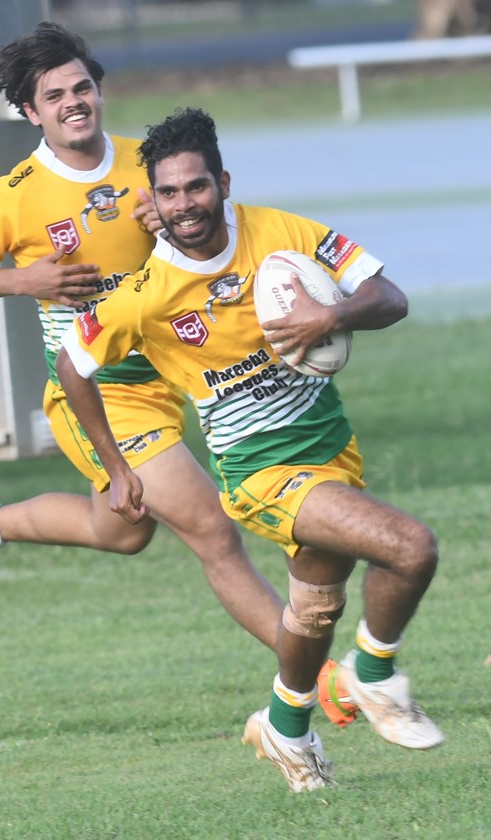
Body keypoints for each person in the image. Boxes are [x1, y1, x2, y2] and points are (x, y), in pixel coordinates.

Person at [0, 22, 350, 714]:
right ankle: (316, 680)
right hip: (92, 387)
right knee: (213, 530)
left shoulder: (148, 166)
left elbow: (210, 241)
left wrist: (171, 228)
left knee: (121, 531)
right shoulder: (13, 194)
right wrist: (25, 280)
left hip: (168, 380)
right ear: (31, 113)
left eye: (81, 86)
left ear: (98, 90)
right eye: (53, 95)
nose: (72, 102)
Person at [55, 106, 444, 792]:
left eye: (196, 187)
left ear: (222, 182)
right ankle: (375, 675)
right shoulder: (146, 295)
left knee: (315, 610)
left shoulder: (281, 233)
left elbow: (389, 295)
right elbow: (72, 363)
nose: (184, 205)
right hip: (259, 472)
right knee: (409, 547)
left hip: (330, 450)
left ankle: (284, 728)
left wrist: (331, 314)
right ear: (155, 199)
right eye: (169, 193)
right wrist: (114, 467)